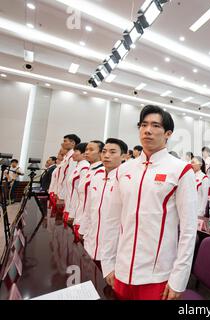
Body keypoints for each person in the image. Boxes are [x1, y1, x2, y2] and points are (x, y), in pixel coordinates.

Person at [101, 105, 197, 300]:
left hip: (157, 275)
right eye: (143, 125)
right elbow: (111, 220)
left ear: (168, 133)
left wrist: (179, 278)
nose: (147, 130)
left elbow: (188, 229)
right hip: (121, 269)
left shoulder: (180, 170)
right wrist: (108, 264)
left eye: (155, 125)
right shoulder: (124, 170)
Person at [83, 138, 128, 269]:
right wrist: (84, 233)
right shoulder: (96, 177)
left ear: (124, 156)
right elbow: (88, 209)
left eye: (113, 152)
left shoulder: (126, 180)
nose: (107, 155)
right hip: (90, 244)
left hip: (113, 249)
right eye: (104, 151)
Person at [75, 140, 104, 239]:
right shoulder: (90, 169)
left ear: (101, 153)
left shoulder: (101, 172)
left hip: (87, 223)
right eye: (86, 149)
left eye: (91, 150)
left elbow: (94, 204)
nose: (86, 152)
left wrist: (84, 226)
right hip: (79, 216)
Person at [65, 143, 89, 225]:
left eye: (76, 151)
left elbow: (81, 194)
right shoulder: (78, 166)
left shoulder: (85, 167)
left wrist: (73, 213)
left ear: (83, 153)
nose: (73, 154)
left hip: (76, 210)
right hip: (70, 206)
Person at [57, 134, 81, 210]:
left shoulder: (72, 157)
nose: (63, 143)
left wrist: (62, 195)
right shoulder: (67, 156)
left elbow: (69, 178)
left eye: (65, 141)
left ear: (73, 143)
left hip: (67, 194)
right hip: (62, 191)